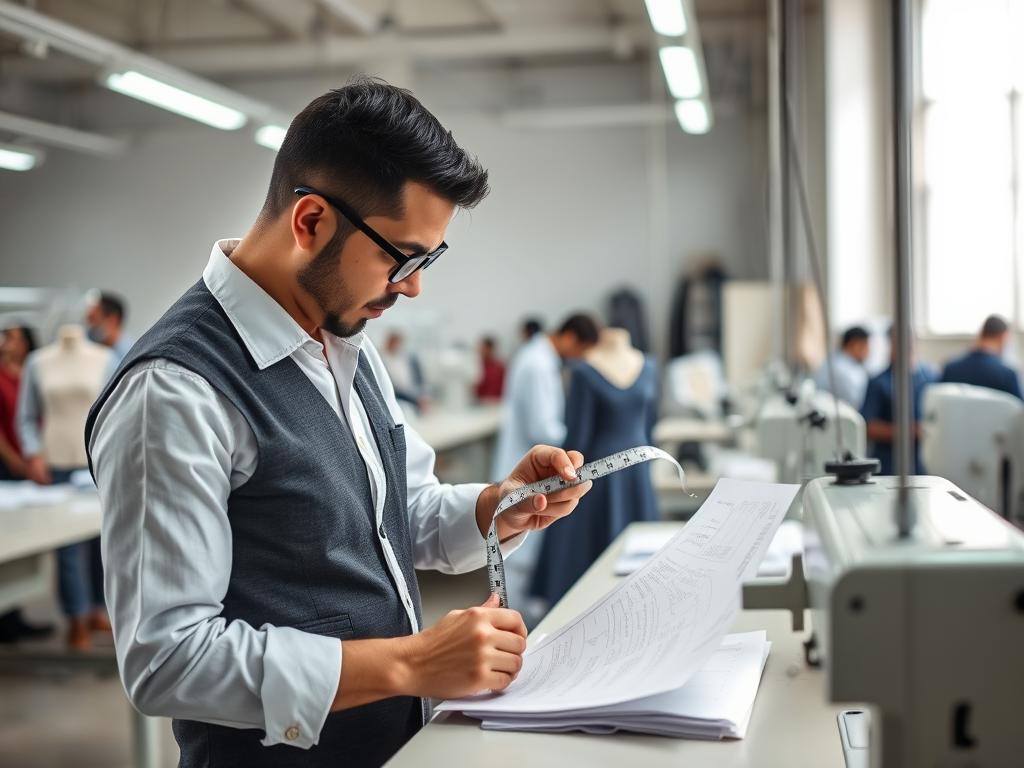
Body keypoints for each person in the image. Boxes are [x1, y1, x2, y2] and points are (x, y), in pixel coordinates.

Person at [85, 79, 592, 768]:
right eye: (401, 256)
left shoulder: (346, 344)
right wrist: (412, 663)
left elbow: (395, 516)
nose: (413, 285)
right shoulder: (174, 391)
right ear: (311, 221)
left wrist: (496, 507)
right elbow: (169, 659)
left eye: (428, 259)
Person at [530, 328, 658, 605]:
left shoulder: (648, 366)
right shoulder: (586, 371)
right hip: (605, 473)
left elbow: (648, 424)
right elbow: (579, 438)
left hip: (630, 470)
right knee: (594, 554)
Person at [492, 313, 600, 480]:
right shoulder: (538, 365)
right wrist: (580, 437)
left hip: (523, 461)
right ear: (570, 338)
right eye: (582, 350)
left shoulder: (537, 356)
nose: (581, 358)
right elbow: (542, 429)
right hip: (522, 466)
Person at [0, 325, 55, 644]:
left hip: (32, 462)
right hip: (8, 464)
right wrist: (14, 459)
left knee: (23, 540)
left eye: (14, 337)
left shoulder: (32, 372)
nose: (7, 342)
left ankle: (14, 615)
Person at [861, 328, 938, 475]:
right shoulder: (879, 382)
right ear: (891, 344)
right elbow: (869, 427)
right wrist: (910, 431)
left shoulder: (930, 377)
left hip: (922, 464)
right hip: (889, 464)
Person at [940, 314, 1022, 399]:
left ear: (982, 334)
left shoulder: (950, 369)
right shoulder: (1007, 375)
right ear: (1003, 337)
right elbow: (1019, 410)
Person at [814, 325, 871, 408]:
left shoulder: (835, 361)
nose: (868, 350)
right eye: (866, 345)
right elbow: (856, 403)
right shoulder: (842, 370)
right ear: (854, 344)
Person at [379, 330, 428, 411]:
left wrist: (424, 395)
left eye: (397, 343)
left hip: (413, 393)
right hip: (396, 395)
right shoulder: (381, 359)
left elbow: (421, 379)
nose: (395, 345)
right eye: (393, 342)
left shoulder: (409, 358)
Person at [85, 291, 133, 366]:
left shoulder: (131, 356)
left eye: (93, 319)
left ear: (112, 320)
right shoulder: (92, 351)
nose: (89, 326)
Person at [474, 336, 505, 401]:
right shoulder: (476, 366)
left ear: (491, 349)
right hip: (480, 403)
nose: (480, 351)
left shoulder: (500, 367)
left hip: (497, 403)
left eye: (483, 348)